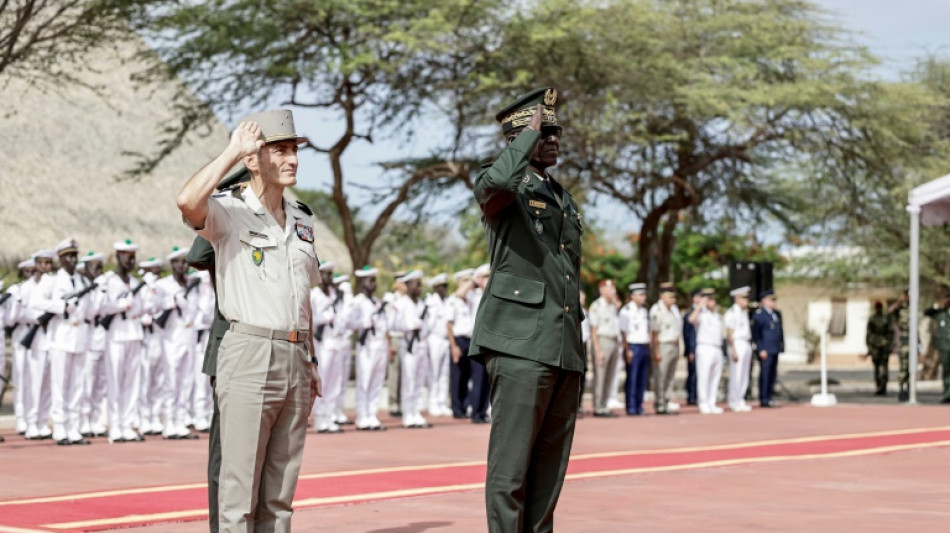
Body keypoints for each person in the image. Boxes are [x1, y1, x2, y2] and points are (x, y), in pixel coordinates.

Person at [177, 109, 322, 532]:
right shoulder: (228, 211)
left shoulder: (303, 219)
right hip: (249, 352)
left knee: (279, 498)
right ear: (254, 160)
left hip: (295, 356)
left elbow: (303, 294)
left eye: (294, 150)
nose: (292, 158)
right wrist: (231, 152)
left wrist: (310, 359)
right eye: (280, 150)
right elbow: (187, 202)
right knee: (238, 494)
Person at [470, 87, 585, 533]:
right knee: (511, 470)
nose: (554, 139)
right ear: (518, 138)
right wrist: (527, 134)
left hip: (561, 346)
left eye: (556, 131)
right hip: (519, 344)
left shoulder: (560, 194)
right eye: (545, 131)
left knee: (548, 474)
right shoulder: (504, 187)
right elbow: (495, 185)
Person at [30, 239, 97, 445]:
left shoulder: (83, 281)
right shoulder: (51, 280)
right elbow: (36, 302)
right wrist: (60, 306)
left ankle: (73, 426)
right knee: (59, 385)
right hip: (60, 338)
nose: (72, 260)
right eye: (68, 256)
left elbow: (90, 310)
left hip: (80, 337)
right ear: (60, 258)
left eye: (75, 256)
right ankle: (59, 427)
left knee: (77, 385)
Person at [155, 246, 201, 440]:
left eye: (185, 262)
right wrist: (172, 301)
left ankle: (180, 421)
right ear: (172, 264)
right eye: (180, 262)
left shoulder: (192, 284)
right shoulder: (164, 285)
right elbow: (155, 308)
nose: (183, 266)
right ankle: (169, 421)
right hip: (171, 340)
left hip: (188, 337)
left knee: (186, 381)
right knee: (171, 381)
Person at [347, 266, 391, 431]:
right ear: (363, 282)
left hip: (380, 345)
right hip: (366, 346)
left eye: (374, 280)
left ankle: (372, 415)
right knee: (364, 381)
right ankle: (362, 416)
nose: (373, 283)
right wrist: (362, 324)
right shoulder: (357, 301)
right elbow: (349, 323)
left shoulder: (378, 302)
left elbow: (386, 324)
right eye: (370, 280)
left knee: (377, 382)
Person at [310, 260, 350, 434]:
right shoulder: (315, 295)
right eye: (325, 273)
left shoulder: (337, 294)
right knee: (323, 381)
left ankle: (330, 415)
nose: (328, 277)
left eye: (330, 273)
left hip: (337, 342)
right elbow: (310, 319)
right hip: (323, 343)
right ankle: (320, 418)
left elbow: (344, 317)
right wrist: (326, 317)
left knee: (336, 381)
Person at [391, 270, 433, 428]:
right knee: (409, 380)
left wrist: (424, 329)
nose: (419, 287)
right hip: (409, 344)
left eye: (420, 284)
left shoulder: (423, 304)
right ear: (408, 285)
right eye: (416, 284)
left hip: (422, 344)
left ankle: (416, 412)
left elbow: (429, 325)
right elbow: (392, 325)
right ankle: (408, 414)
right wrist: (409, 326)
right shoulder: (400, 303)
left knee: (419, 380)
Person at [24, 249, 56, 440]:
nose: (46, 267)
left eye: (49, 263)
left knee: (47, 385)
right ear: (35, 264)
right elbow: (24, 312)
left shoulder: (53, 284)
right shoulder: (27, 288)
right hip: (35, 337)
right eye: (42, 263)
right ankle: (31, 422)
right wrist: (40, 317)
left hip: (51, 337)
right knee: (34, 383)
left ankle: (42, 421)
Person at [80, 252, 108, 438]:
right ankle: (84, 419)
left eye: (99, 266)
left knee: (101, 383)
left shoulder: (103, 287)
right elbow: (89, 313)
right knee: (86, 383)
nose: (97, 270)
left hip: (103, 339)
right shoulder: (83, 288)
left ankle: (97, 418)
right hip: (87, 340)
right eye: (93, 266)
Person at [7, 258, 37, 436]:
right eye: (27, 271)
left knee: (35, 380)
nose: (30, 275)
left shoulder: (39, 289)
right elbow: (10, 320)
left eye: (33, 271)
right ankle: (21, 418)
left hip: (38, 333)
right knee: (20, 380)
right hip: (21, 334)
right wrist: (17, 304)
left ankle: (33, 418)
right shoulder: (16, 290)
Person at [588, 280, 621, 417]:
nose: (612, 291)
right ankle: (598, 406)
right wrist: (598, 350)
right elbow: (594, 330)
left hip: (613, 341)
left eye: (613, 288)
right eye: (609, 289)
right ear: (601, 290)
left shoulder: (613, 306)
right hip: (602, 341)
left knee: (609, 375)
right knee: (600, 376)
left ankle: (605, 404)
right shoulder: (596, 306)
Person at [690, 288, 724, 414]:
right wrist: (700, 306)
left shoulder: (716, 314)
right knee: (704, 376)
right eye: (708, 299)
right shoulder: (701, 314)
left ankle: (712, 401)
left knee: (715, 376)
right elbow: (691, 320)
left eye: (712, 299)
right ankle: (703, 402)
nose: (712, 302)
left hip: (717, 347)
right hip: (705, 347)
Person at [446, 269, 475, 419]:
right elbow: (449, 325)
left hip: (470, 340)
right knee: (457, 376)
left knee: (467, 376)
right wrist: (453, 346)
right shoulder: (453, 300)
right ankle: (456, 408)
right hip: (458, 340)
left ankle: (465, 405)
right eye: (465, 280)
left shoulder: (471, 299)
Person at [649, 282, 681, 415]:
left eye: (674, 297)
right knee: (660, 376)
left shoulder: (674, 309)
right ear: (662, 296)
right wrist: (656, 351)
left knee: (670, 376)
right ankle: (660, 403)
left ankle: (666, 401)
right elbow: (654, 333)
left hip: (674, 345)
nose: (672, 300)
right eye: (670, 297)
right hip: (662, 345)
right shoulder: (656, 310)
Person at [620, 283, 650, 416]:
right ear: (633, 296)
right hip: (632, 346)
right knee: (632, 378)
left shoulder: (644, 311)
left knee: (642, 379)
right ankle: (631, 407)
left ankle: (639, 405)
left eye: (644, 294)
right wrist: (627, 350)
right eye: (640, 294)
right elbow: (623, 332)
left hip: (644, 346)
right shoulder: (626, 311)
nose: (643, 297)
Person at [467, 263, 492, 424]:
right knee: (477, 379)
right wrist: (475, 280)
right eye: (486, 277)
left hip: (490, 342)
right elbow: (459, 293)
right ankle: (475, 411)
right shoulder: (473, 295)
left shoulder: (493, 294)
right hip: (477, 341)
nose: (489, 280)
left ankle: (483, 411)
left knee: (487, 380)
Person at [752, 289, 784, 408]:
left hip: (774, 348)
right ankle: (764, 398)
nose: (773, 302)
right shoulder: (760, 315)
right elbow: (757, 334)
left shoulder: (776, 314)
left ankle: (769, 396)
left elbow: (779, 332)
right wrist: (761, 348)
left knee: (772, 374)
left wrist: (781, 346)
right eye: (771, 300)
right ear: (764, 301)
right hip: (766, 349)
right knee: (765, 374)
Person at [425, 273, 452, 417]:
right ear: (436, 288)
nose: (445, 289)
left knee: (444, 373)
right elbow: (428, 324)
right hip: (434, 338)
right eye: (443, 286)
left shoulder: (448, 301)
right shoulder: (431, 302)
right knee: (434, 372)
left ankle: (442, 402)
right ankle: (432, 402)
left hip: (445, 340)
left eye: (446, 286)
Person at [724, 286, 753, 412]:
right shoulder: (732, 312)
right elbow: (729, 332)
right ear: (736, 298)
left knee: (744, 374)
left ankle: (740, 398)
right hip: (737, 343)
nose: (746, 300)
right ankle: (734, 400)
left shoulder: (744, 312)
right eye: (743, 298)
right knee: (737, 373)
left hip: (746, 342)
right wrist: (733, 349)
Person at [923, 298, 950, 403]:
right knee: (946, 372)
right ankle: (947, 394)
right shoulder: (940, 314)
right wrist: (938, 305)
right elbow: (927, 312)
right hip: (944, 348)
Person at [865, 301, 893, 396]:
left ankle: (884, 386)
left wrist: (890, 345)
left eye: (879, 307)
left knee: (884, 366)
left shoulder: (886, 319)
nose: (878, 309)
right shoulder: (872, 319)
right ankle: (878, 386)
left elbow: (890, 333)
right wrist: (869, 347)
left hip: (884, 346)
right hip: (875, 346)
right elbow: (868, 334)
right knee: (876, 367)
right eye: (877, 307)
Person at [888, 290, 911, 402]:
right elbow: (890, 311)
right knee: (903, 368)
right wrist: (900, 301)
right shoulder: (900, 309)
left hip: (913, 342)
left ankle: (910, 390)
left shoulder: (914, 308)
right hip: (903, 342)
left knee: (911, 368)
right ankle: (901, 390)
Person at [682, 289, 701, 406]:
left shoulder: (705, 313)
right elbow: (687, 334)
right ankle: (691, 396)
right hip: (693, 347)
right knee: (693, 373)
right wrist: (689, 350)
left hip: (703, 347)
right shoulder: (689, 313)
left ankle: (698, 395)